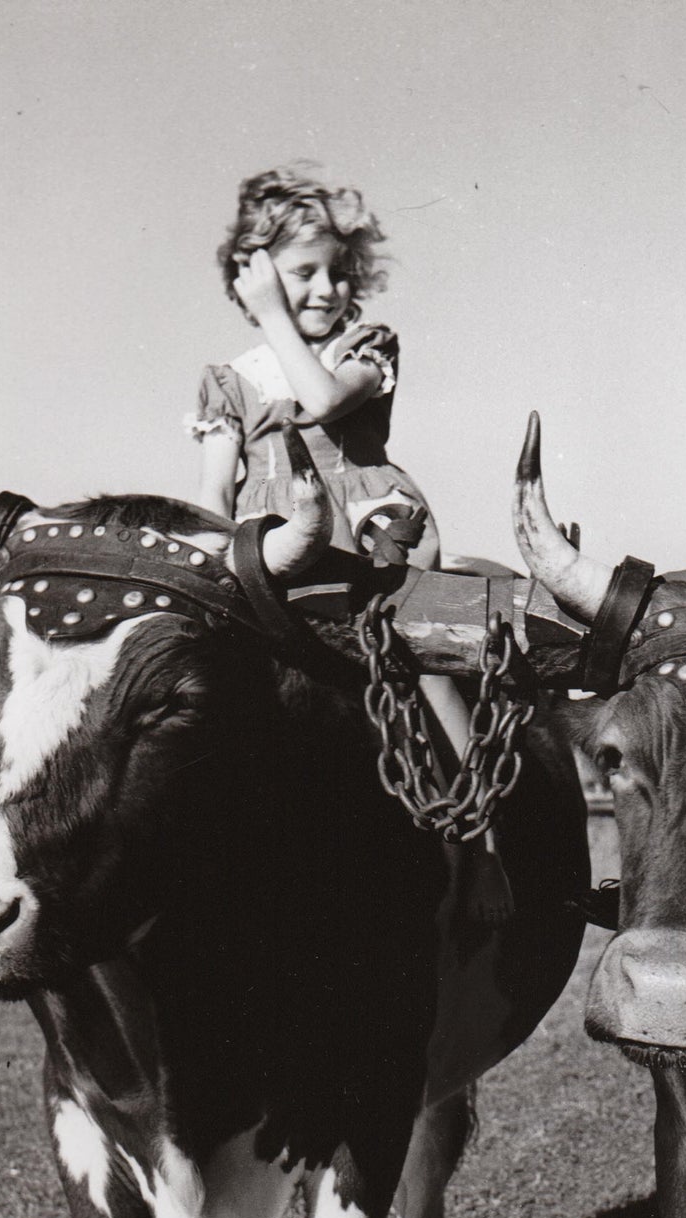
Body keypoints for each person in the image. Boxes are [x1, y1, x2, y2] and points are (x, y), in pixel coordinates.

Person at [190, 161, 513, 923]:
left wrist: (272, 312)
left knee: (420, 654)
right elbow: (212, 490)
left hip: (370, 530)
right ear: (254, 271)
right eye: (304, 272)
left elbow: (324, 400)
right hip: (271, 544)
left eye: (338, 272)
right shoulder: (225, 381)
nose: (327, 289)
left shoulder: (366, 345)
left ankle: (486, 847)